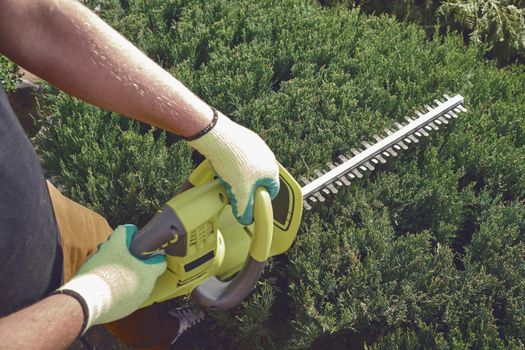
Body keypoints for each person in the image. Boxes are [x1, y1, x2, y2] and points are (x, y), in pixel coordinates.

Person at [0, 0, 280, 349]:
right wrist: (94, 294)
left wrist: (214, 132)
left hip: (43, 216)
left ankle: (161, 334)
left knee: (115, 249)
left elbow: (32, 16)